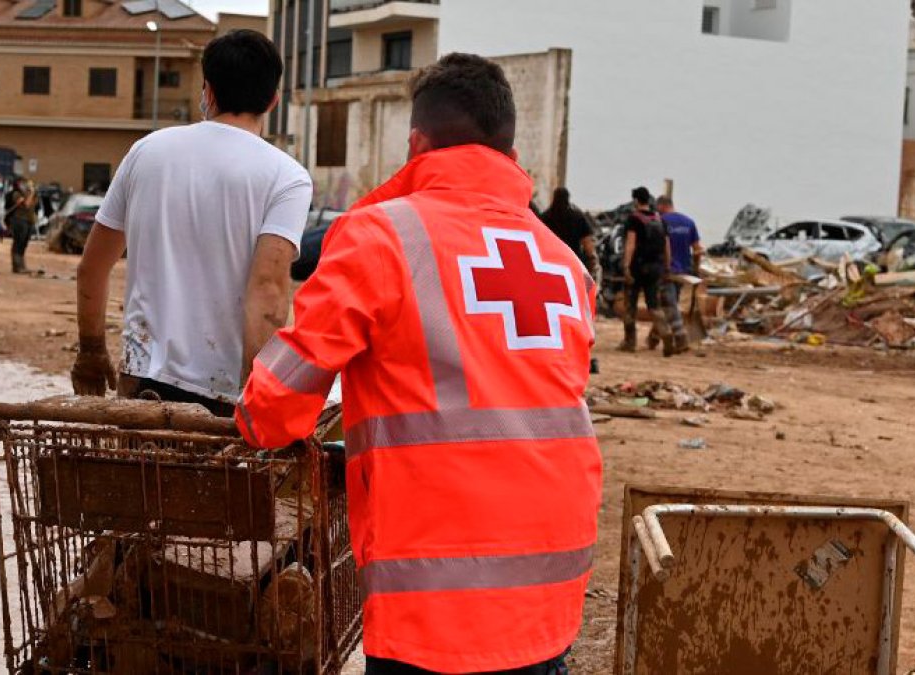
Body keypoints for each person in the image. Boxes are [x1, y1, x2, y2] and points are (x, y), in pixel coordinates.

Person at [236, 53, 601, 674]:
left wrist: (253, 421)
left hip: (439, 594)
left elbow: (276, 405)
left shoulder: (380, 235)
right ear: (510, 149)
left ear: (416, 143)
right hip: (551, 582)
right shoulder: (564, 263)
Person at [71, 29, 311, 416]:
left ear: (208, 92)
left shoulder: (146, 152)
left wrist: (92, 350)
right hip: (224, 394)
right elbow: (268, 290)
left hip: (141, 381)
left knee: (136, 477)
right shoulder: (287, 176)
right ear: (273, 100)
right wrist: (258, 395)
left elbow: (92, 268)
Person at [620, 186, 674, 355]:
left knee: (630, 305)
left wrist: (626, 266)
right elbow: (667, 246)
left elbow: (630, 244)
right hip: (656, 268)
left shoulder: (634, 219)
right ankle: (666, 332)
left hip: (637, 267)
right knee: (654, 305)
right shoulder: (660, 219)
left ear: (636, 201)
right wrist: (667, 266)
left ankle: (630, 341)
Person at [652, 195, 704, 354]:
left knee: (669, 304)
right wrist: (695, 268)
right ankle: (653, 338)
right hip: (683, 271)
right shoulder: (689, 222)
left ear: (661, 206)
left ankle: (681, 338)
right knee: (668, 303)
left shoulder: (660, 222)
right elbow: (697, 249)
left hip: (666, 270)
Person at [540, 187, 602, 284]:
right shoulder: (578, 217)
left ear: (553, 198)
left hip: (550, 263)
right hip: (572, 262)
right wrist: (591, 258)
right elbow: (587, 242)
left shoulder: (545, 217)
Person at [4, 177, 38, 275]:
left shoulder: (29, 194)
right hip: (19, 220)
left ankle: (22, 265)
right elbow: (26, 204)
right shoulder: (16, 194)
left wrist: (34, 194)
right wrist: (30, 194)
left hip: (29, 221)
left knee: (24, 243)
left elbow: (33, 205)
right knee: (18, 242)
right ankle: (16, 266)